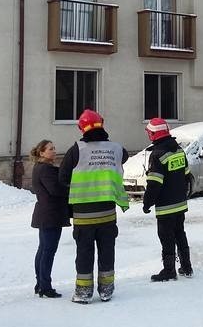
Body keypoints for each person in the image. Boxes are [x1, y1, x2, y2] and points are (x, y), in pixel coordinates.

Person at [58, 109, 129, 304]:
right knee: (107, 251)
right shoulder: (116, 149)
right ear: (102, 125)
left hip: (83, 215)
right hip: (107, 212)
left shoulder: (76, 150)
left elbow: (63, 178)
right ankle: (106, 289)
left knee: (84, 252)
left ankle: (83, 292)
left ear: (82, 128)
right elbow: (123, 158)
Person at [142, 117, 193, 281]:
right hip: (180, 203)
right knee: (180, 234)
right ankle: (186, 267)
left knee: (166, 237)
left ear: (153, 134)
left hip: (165, 207)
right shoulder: (178, 150)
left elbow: (154, 184)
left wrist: (147, 203)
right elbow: (186, 175)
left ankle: (169, 270)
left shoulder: (157, 155)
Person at [29, 139, 70, 299]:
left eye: (54, 148)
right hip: (51, 214)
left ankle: (40, 283)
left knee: (43, 249)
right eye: (50, 149)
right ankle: (45, 286)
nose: (54, 151)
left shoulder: (40, 168)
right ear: (42, 153)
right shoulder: (46, 169)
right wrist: (70, 187)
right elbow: (55, 189)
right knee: (48, 251)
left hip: (46, 214)